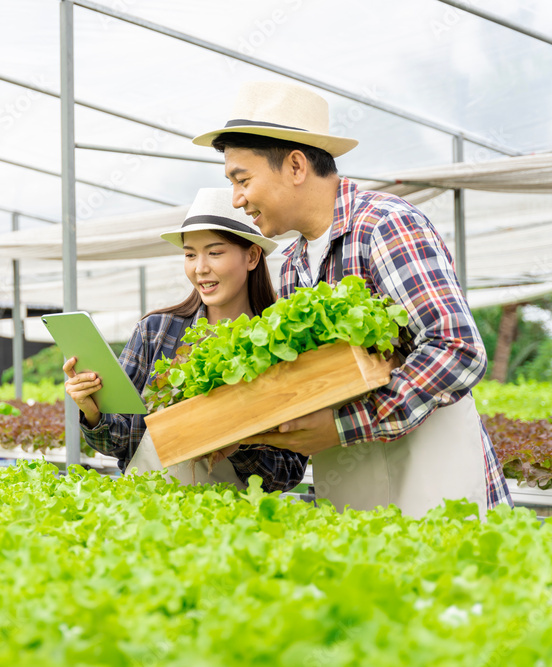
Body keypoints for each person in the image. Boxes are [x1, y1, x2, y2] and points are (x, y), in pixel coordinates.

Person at [193, 80, 511, 515]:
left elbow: (457, 349)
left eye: (242, 179)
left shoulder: (384, 226)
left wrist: (345, 426)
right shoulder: (292, 267)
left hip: (433, 467)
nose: (237, 199)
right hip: (354, 481)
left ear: (296, 166)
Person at [63, 188, 307, 492]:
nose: (200, 267)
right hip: (146, 512)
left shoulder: (282, 344)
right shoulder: (156, 330)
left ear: (253, 256)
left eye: (215, 252)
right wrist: (92, 411)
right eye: (190, 254)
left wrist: (236, 442)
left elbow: (288, 472)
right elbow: (119, 442)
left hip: (235, 526)